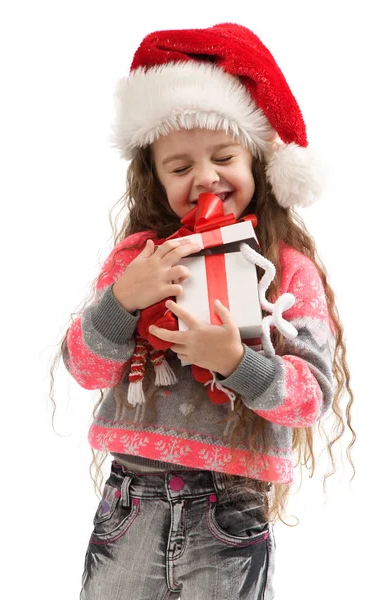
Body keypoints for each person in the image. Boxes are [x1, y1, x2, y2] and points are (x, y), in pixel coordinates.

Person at [54, 23, 355, 600]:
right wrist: (123, 300)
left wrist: (238, 360)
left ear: (259, 163)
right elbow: (85, 369)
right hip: (130, 501)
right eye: (179, 167)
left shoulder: (287, 270)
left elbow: (309, 399)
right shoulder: (136, 259)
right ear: (153, 175)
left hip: (232, 511)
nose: (206, 178)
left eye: (224, 157)